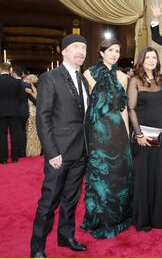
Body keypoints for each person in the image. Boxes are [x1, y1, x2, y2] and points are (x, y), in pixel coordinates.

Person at [30, 34, 88, 258]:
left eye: (83, 47)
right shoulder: (50, 77)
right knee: (49, 202)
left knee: (71, 199)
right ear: (64, 51)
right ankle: (37, 248)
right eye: (76, 47)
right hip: (60, 153)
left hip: (80, 151)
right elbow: (42, 117)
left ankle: (66, 236)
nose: (81, 52)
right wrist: (52, 152)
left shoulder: (82, 79)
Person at [81, 39, 132, 238]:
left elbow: (123, 108)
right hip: (98, 132)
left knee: (119, 176)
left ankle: (119, 217)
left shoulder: (123, 76)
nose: (114, 54)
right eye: (110, 50)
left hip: (118, 130)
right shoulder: (88, 73)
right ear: (101, 52)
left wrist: (127, 134)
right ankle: (100, 220)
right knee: (100, 177)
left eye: (117, 51)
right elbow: (86, 105)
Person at [127, 47, 162, 232]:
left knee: (158, 174)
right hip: (143, 134)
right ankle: (142, 219)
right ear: (142, 60)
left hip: (160, 132)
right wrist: (139, 134)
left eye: (154, 57)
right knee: (143, 175)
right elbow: (131, 109)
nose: (151, 60)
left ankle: (157, 218)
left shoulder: (160, 80)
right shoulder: (135, 80)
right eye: (148, 57)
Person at [0, 62, 21, 164]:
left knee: (2, 136)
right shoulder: (17, 82)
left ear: (1, 69)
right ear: (10, 70)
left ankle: (3, 159)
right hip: (15, 111)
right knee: (14, 134)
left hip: (1, 111)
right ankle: (14, 158)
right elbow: (21, 98)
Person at [24, 74, 41, 157]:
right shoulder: (27, 87)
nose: (25, 80)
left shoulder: (33, 88)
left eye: (27, 79)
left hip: (33, 112)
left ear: (31, 80)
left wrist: (30, 92)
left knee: (33, 131)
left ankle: (34, 150)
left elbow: (38, 99)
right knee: (29, 131)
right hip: (29, 111)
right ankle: (30, 149)